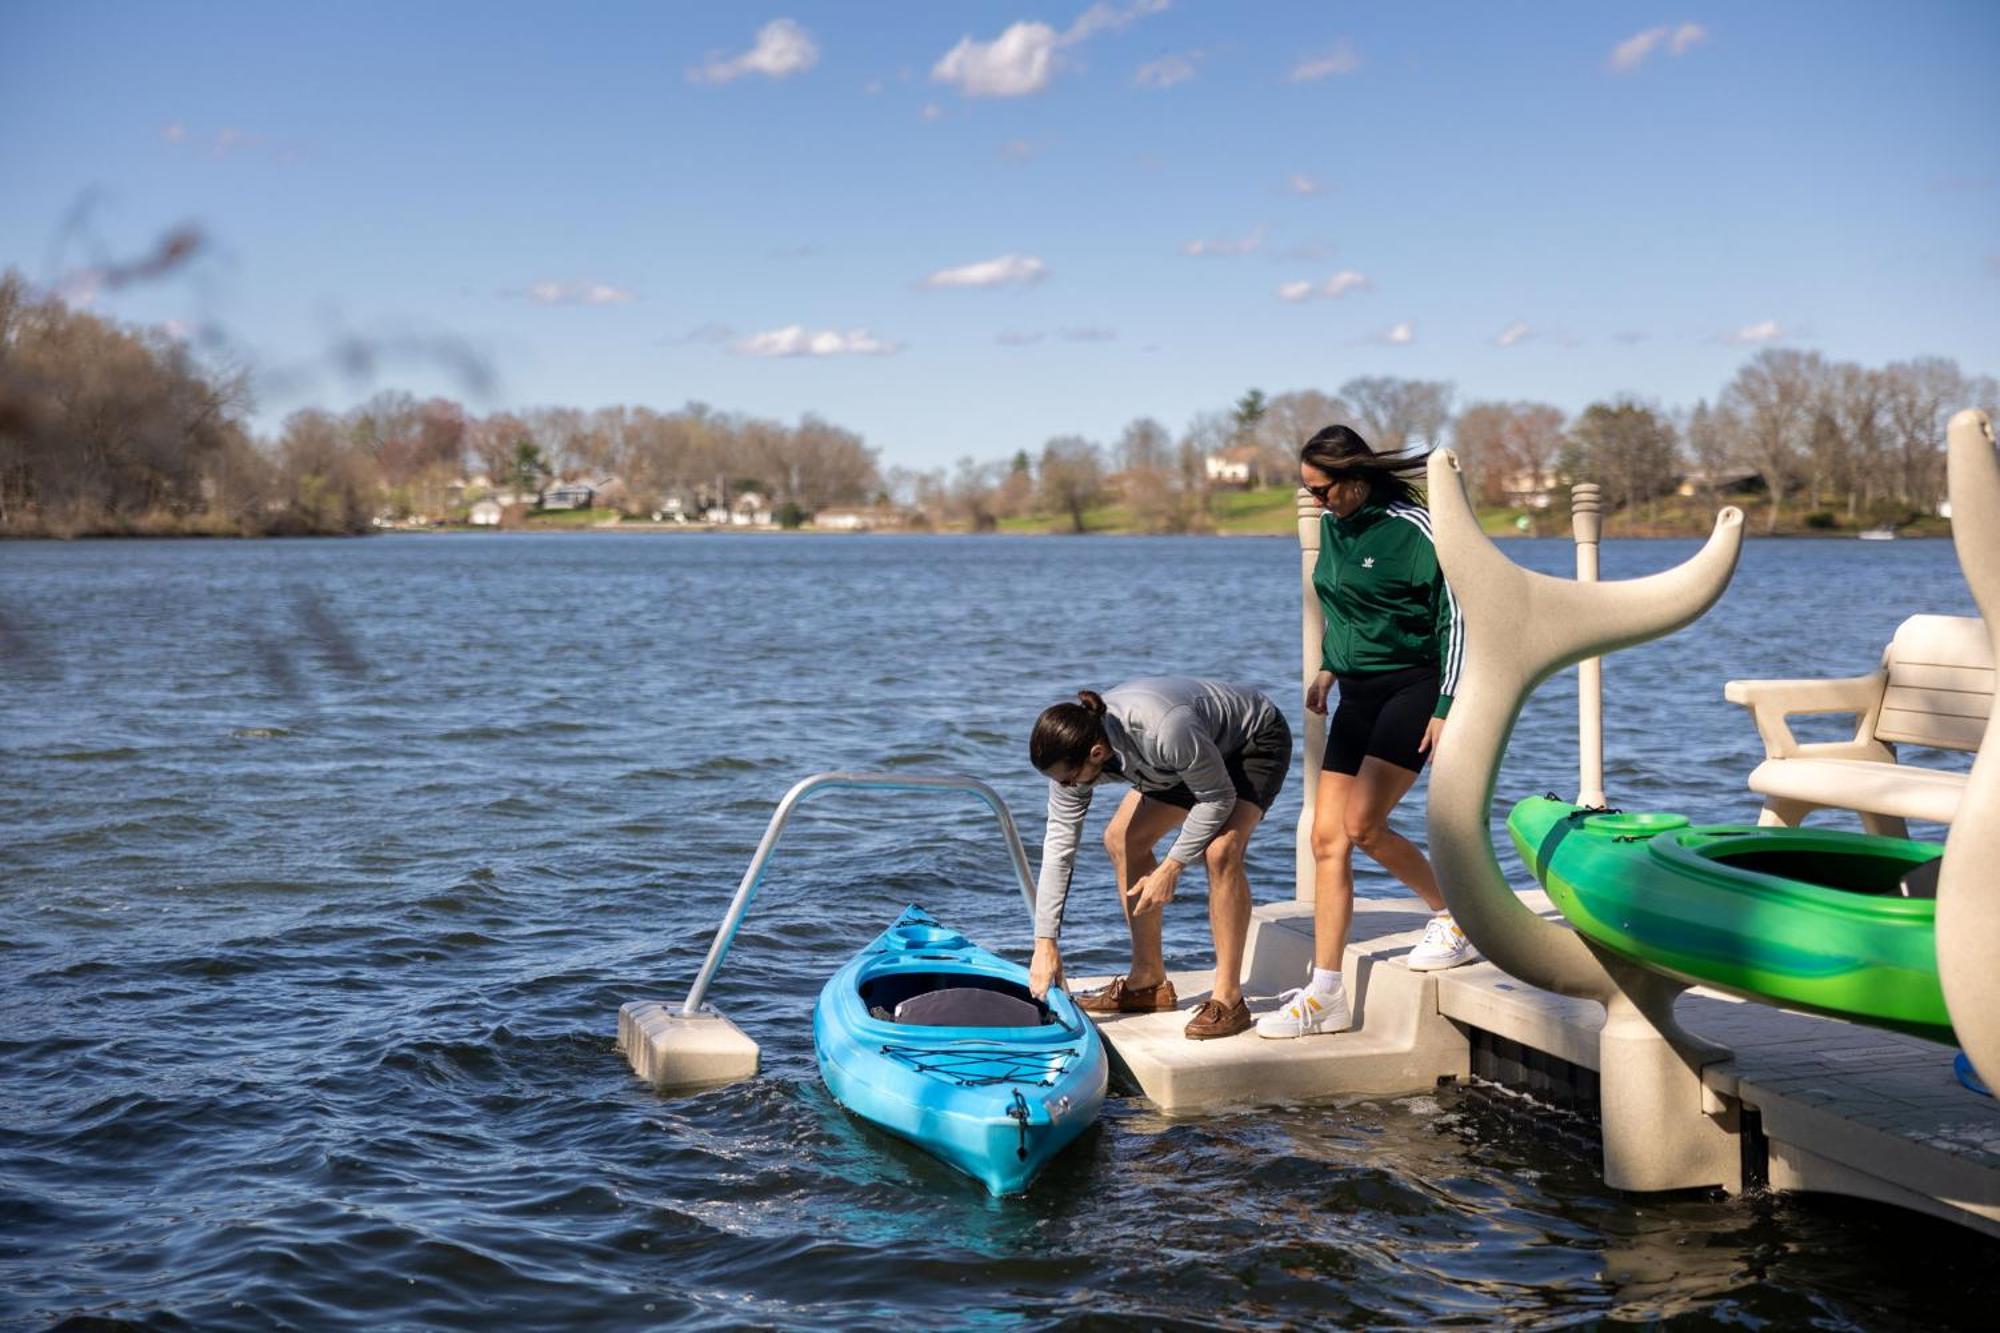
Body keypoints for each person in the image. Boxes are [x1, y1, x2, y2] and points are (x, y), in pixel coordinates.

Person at [1256, 425, 1475, 1042]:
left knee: (1363, 825)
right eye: (1308, 492)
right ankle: (1324, 993)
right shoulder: (1333, 526)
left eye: (1322, 490)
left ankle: (1452, 916)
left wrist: (1446, 704)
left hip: (1416, 687)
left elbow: (1455, 615)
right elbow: (1343, 604)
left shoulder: (1415, 529)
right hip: (1358, 690)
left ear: (1354, 478)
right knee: (1327, 839)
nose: (1316, 503)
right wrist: (1330, 665)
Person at [1027, 678, 1291, 1041]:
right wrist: (1045, 942)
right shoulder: (1071, 762)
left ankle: (1229, 999)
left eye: (1070, 781)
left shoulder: (1163, 729)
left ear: (1096, 754)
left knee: (1220, 850)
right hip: (1186, 757)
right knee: (1122, 839)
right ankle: (1148, 981)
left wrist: (1171, 866)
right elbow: (1058, 848)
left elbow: (1217, 798)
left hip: (1251, 741)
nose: (1067, 788)